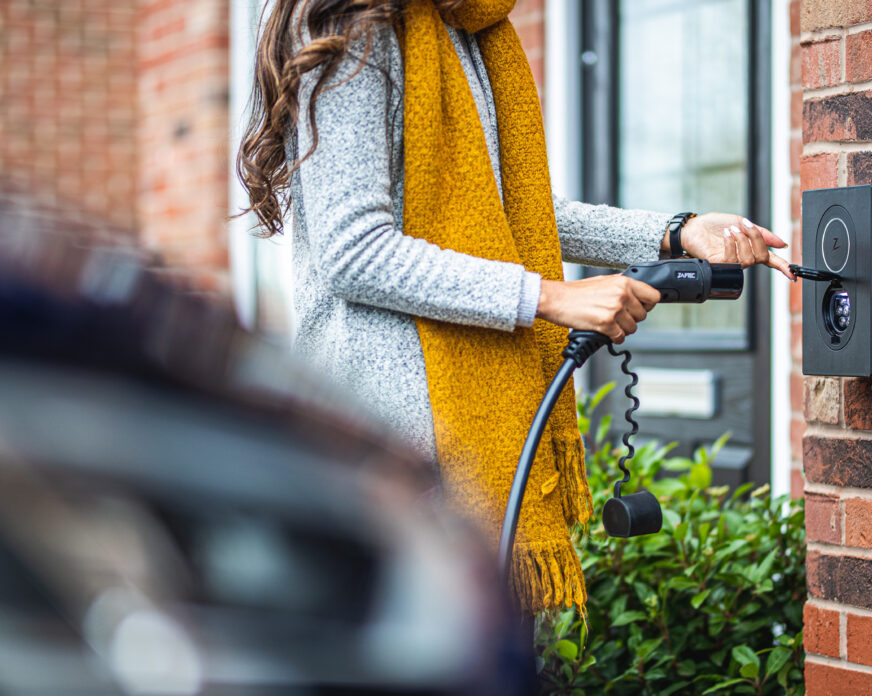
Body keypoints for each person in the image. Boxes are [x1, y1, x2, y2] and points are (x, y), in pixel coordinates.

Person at [237, 0, 793, 615]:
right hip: (389, 458)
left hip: (475, 455)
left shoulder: (473, 35)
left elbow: (518, 218)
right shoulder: (355, 22)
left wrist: (674, 232)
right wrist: (551, 298)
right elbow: (354, 249)